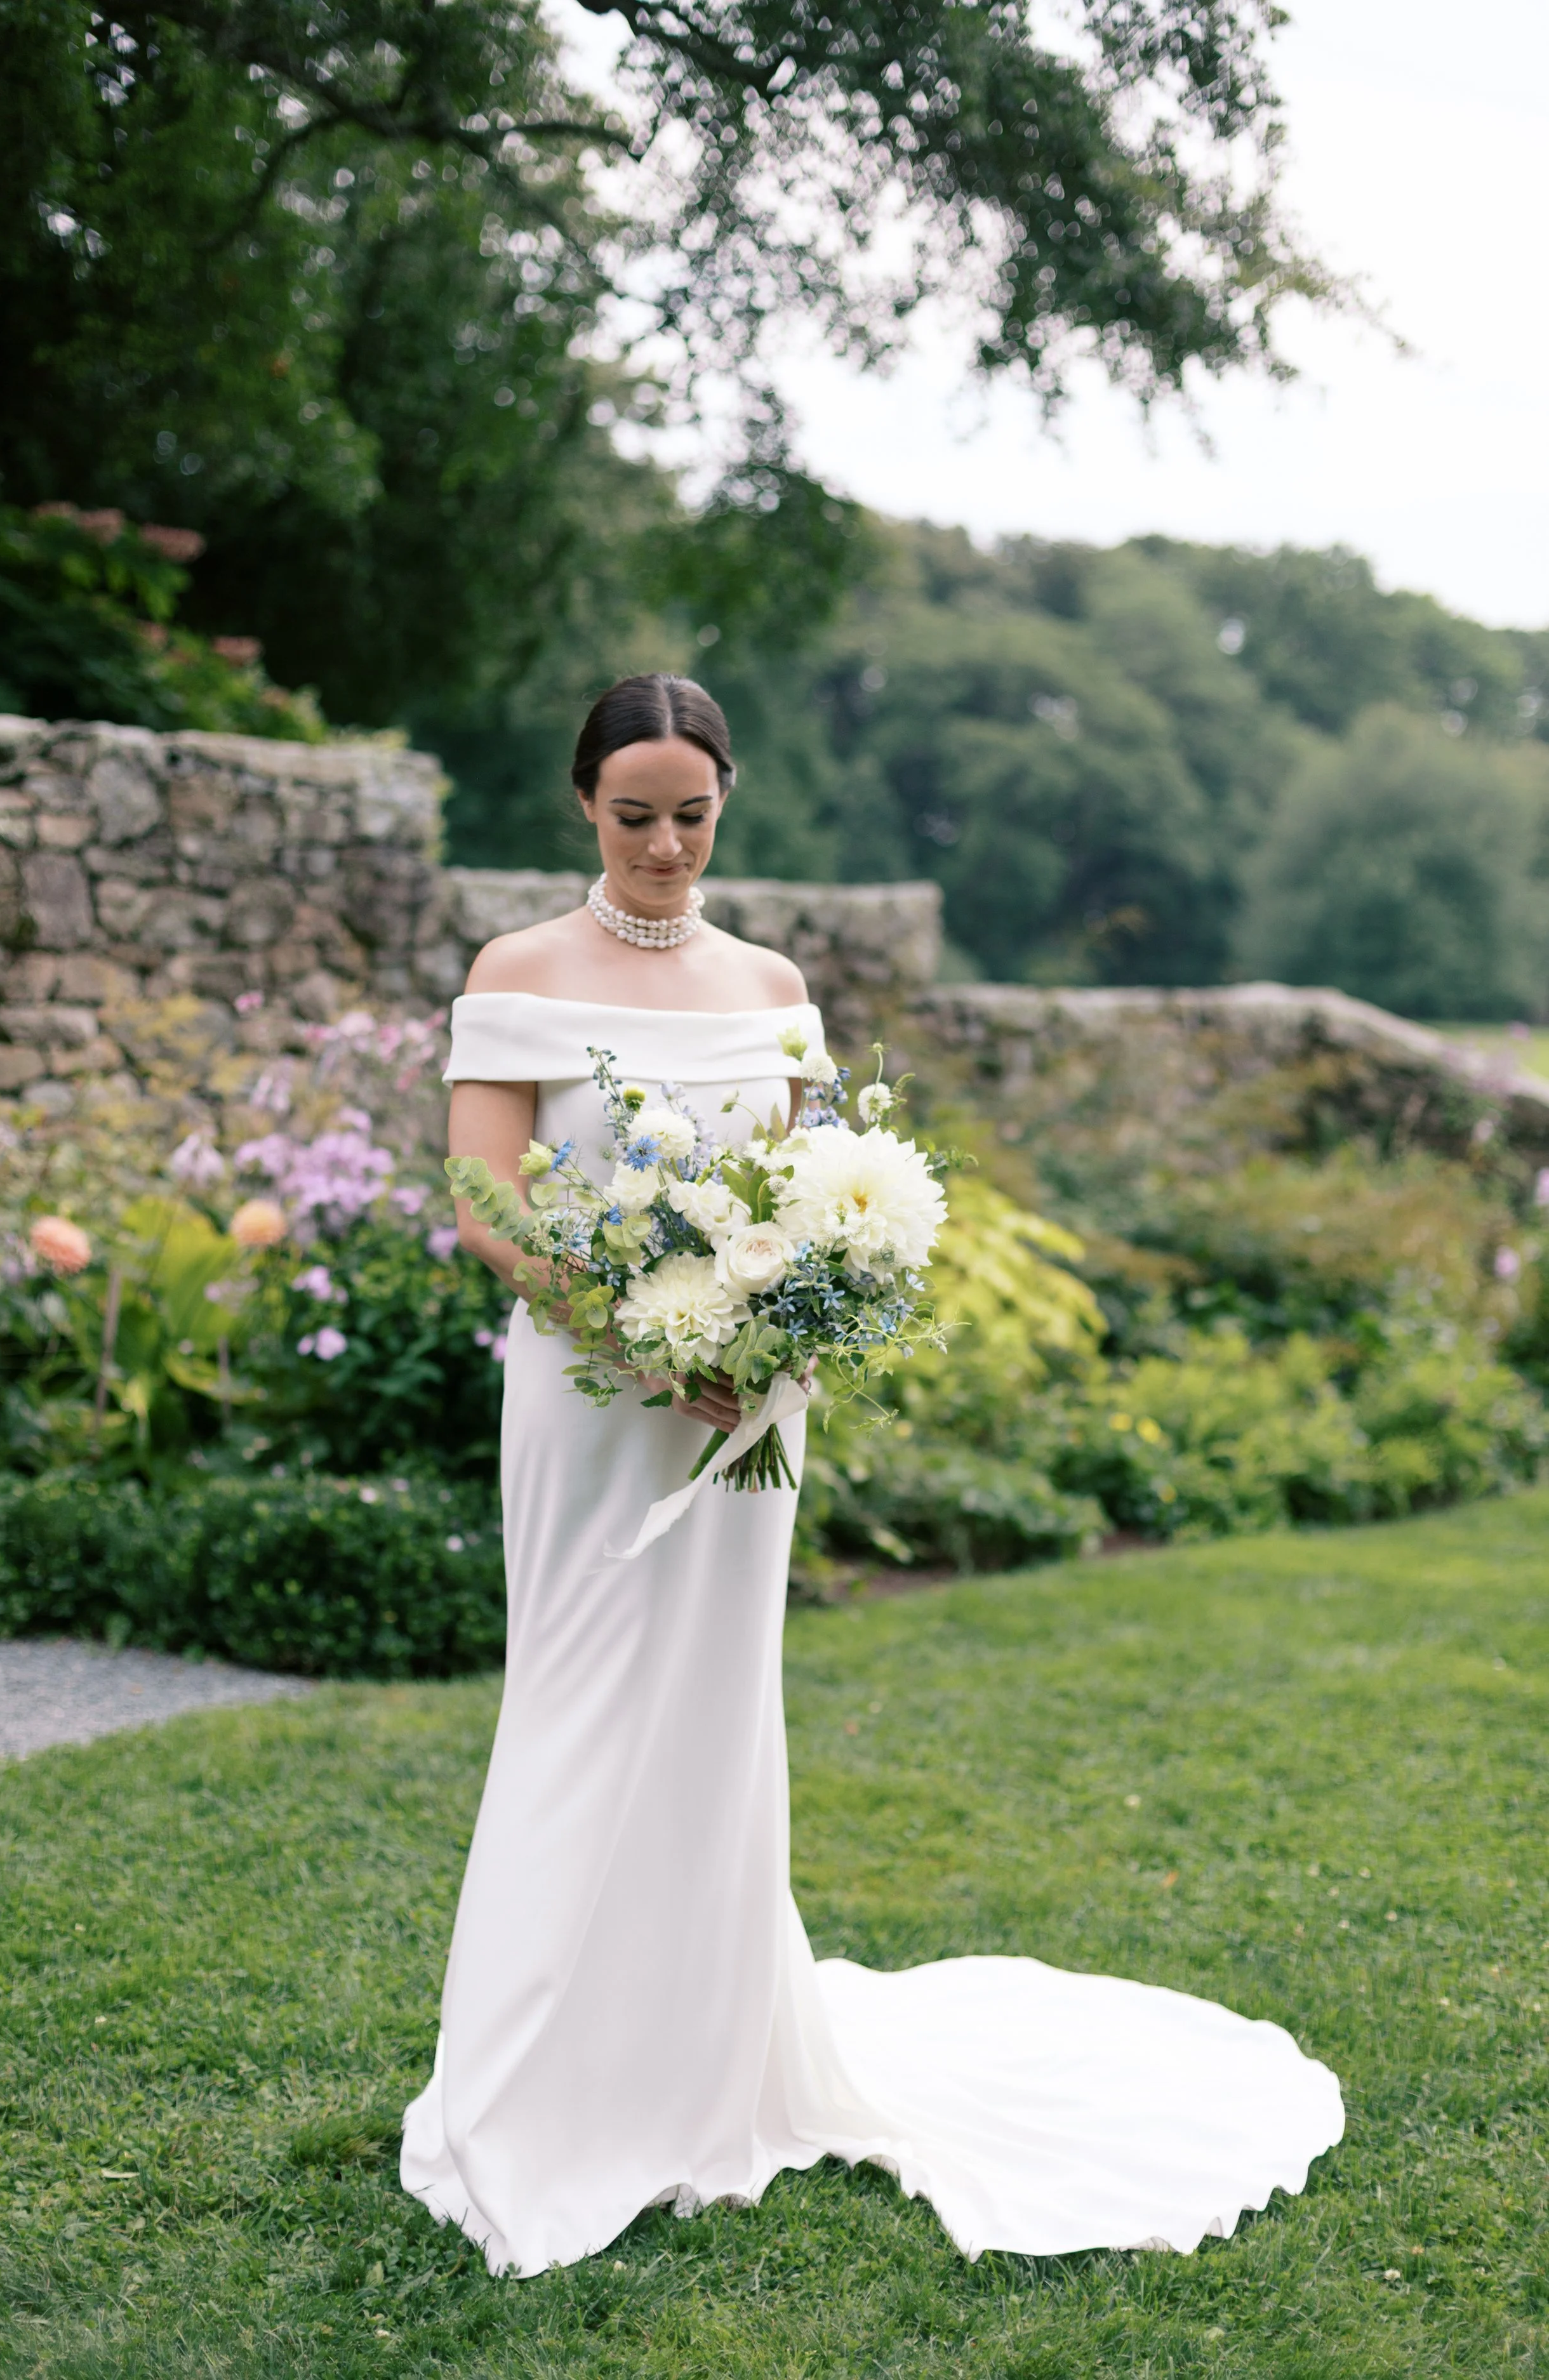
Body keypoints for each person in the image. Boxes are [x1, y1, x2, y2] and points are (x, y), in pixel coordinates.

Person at [400, 671, 1344, 2277]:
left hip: (744, 1408)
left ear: (725, 802)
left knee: (710, 1715)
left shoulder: (770, 980)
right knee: (569, 1704)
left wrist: (774, 1343)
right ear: (582, 806)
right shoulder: (518, 970)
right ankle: (530, 2084)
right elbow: (489, 1208)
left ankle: (699, 2062)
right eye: (632, 816)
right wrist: (632, 1332)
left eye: (690, 816)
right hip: (587, 1395)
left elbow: (804, 1196)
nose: (662, 846)